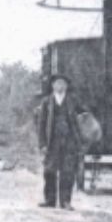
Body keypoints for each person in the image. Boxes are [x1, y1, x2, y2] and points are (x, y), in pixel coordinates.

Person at [35, 73, 87, 210]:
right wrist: (42, 144)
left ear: (67, 86)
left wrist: (80, 139)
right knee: (49, 171)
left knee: (68, 172)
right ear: (53, 85)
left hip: (69, 141)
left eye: (63, 83)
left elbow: (84, 116)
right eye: (57, 83)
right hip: (52, 142)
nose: (60, 86)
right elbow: (41, 125)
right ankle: (50, 200)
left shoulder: (73, 101)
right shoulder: (47, 102)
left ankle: (66, 201)